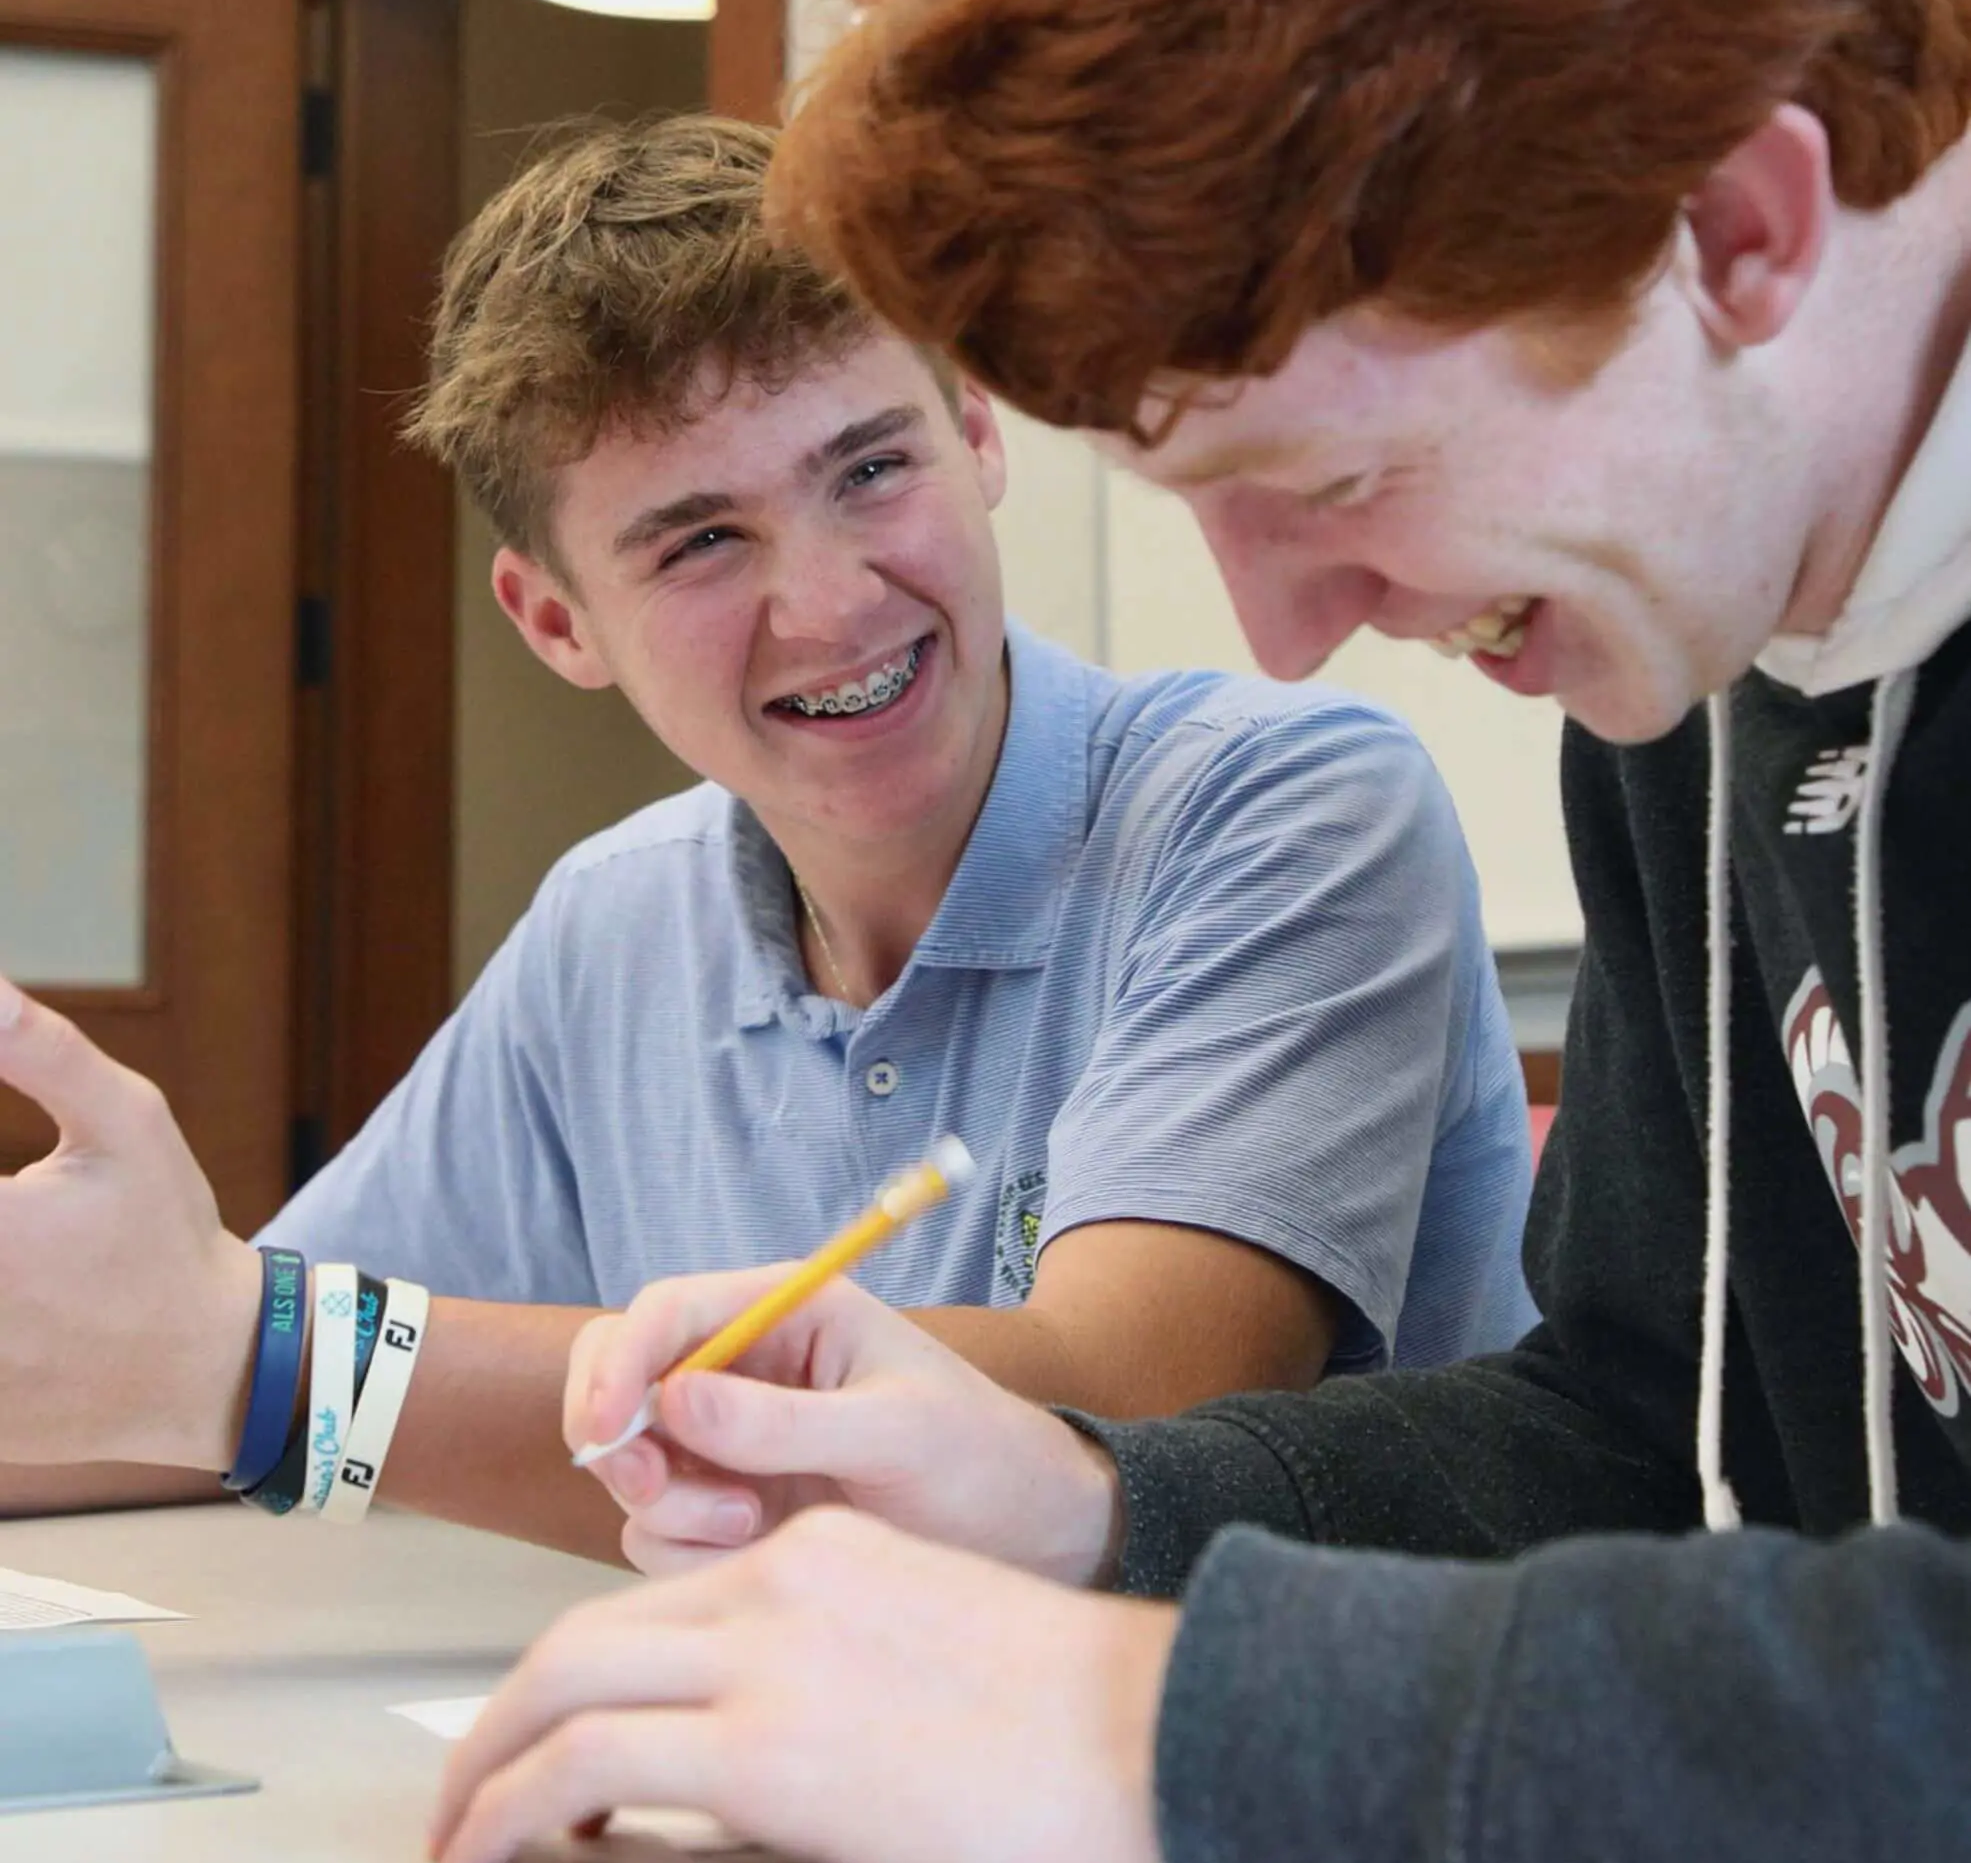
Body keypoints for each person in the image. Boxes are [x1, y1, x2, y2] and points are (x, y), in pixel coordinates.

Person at [427, 0, 1971, 1863]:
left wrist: (1152, 1727)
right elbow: (1631, 1433)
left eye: (1334, 475)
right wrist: (1077, 1504)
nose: (1278, 634)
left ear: (1733, 227)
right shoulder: (1681, 647)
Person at [0, 114, 1533, 1559]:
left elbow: (1117, 1413)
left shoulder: (1285, 808)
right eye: (700, 542)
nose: (833, 603)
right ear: (555, 622)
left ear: (979, 437)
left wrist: (264, 1372)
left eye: (870, 469)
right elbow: (184, 1371)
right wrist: (173, 1347)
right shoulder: (616, 921)